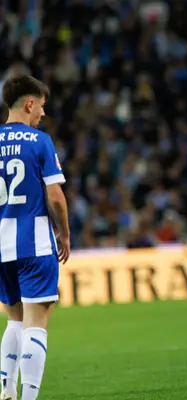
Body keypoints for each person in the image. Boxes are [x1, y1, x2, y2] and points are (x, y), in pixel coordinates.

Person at [0, 75, 70, 400]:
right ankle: (28, 396)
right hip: (35, 243)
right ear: (29, 103)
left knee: (14, 320)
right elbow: (55, 196)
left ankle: (5, 390)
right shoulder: (39, 140)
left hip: (1, 247)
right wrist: (65, 234)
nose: (43, 113)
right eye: (41, 106)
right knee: (36, 323)